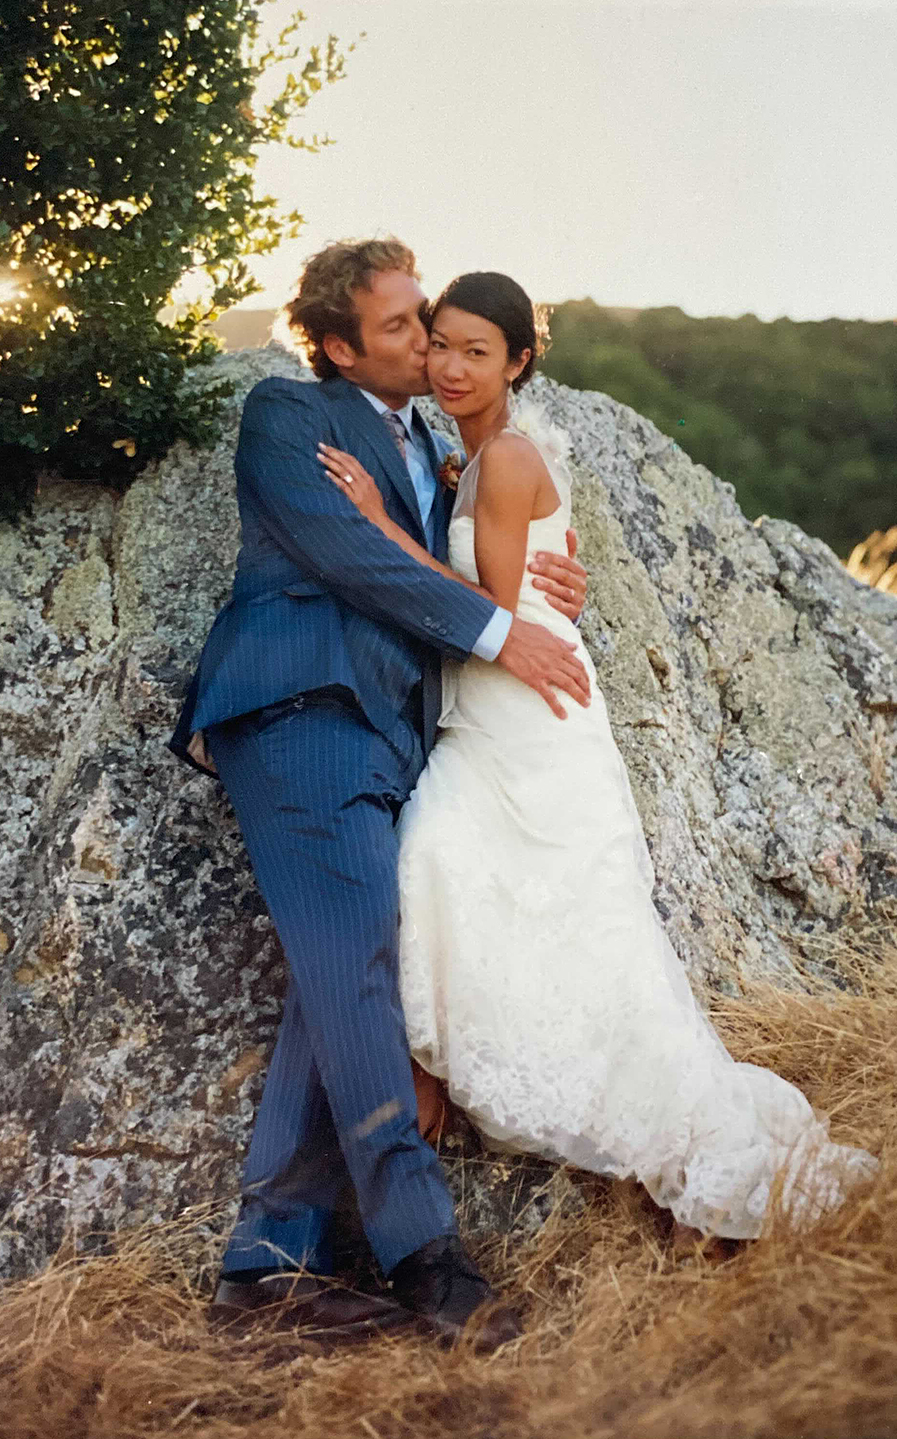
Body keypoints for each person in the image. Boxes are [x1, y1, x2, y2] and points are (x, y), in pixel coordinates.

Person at [319, 271, 878, 1245]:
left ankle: (464, 1075)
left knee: (441, 857)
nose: (448, 366)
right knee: (469, 871)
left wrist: (372, 523)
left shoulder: (505, 461)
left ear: (521, 361)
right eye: (439, 343)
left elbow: (483, 611)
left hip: (522, 713)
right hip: (511, 705)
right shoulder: (485, 457)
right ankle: (441, 1066)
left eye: (475, 351)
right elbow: (524, 572)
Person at [169, 239, 590, 1351]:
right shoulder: (285, 415)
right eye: (403, 326)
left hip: (391, 743)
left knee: (338, 975)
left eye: (432, 321)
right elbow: (356, 560)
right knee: (354, 968)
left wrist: (540, 568)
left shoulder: (442, 457)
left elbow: (446, 554)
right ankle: (426, 1255)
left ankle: (269, 1267)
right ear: (339, 345)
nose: (427, 340)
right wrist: (502, 632)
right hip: (303, 711)